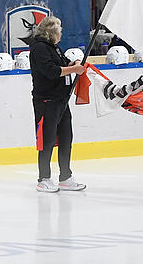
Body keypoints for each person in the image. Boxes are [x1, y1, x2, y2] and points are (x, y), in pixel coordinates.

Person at [28, 16, 86, 193]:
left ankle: (65, 176)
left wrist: (72, 64)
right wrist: (73, 69)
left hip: (61, 101)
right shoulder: (39, 49)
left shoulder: (53, 48)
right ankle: (44, 178)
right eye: (59, 31)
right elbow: (51, 71)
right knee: (46, 140)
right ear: (51, 32)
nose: (61, 34)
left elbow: (61, 66)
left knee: (66, 138)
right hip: (46, 102)